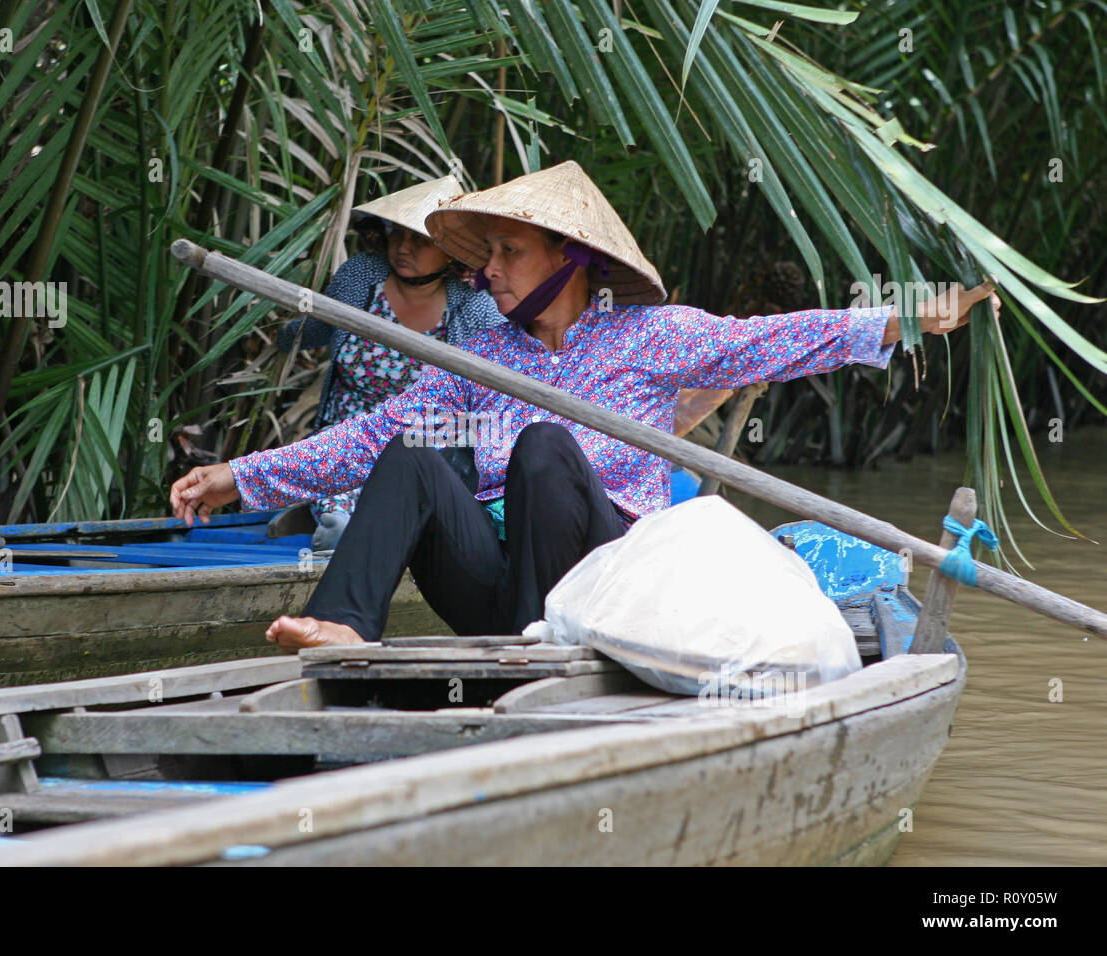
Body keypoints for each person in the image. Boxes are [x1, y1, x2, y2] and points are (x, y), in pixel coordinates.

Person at [170, 160, 999, 651]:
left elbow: (770, 341)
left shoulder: (651, 337)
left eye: (508, 252)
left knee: (540, 448)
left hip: (603, 582)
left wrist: (903, 316)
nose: (485, 271)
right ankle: (348, 625)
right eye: (486, 251)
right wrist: (240, 476)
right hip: (497, 586)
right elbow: (370, 435)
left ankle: (548, 655)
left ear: (571, 263)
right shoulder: (483, 355)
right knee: (416, 456)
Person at [270, 175, 504, 550]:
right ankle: (338, 524)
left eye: (419, 240)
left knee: (402, 485)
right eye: (397, 234)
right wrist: (279, 333)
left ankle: (367, 529)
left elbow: (497, 383)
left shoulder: (476, 306)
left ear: (451, 250)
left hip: (424, 441)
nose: (403, 247)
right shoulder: (363, 274)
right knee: (337, 482)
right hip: (346, 432)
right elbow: (316, 329)